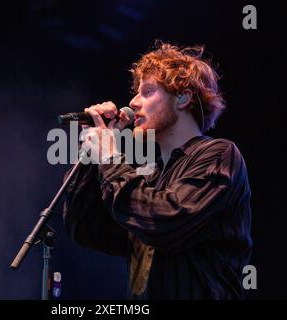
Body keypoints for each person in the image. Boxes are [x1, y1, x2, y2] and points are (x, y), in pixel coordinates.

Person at [62, 41, 252, 299]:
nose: (133, 102)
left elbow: (164, 221)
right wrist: (93, 158)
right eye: (136, 92)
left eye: (148, 91)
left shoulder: (219, 155)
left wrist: (110, 156)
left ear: (183, 98)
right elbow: (85, 229)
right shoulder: (148, 177)